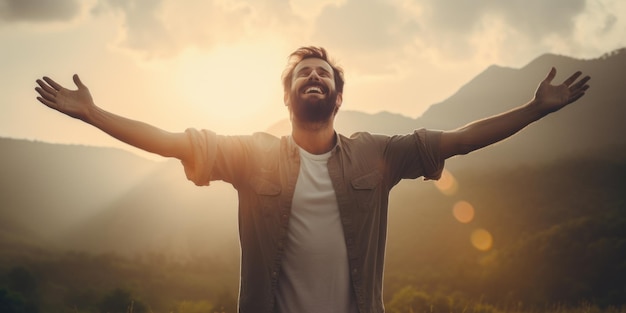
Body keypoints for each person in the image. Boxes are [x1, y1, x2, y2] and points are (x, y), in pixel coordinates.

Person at [35, 46, 590, 313]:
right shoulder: (252, 157)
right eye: (304, 74)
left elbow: (460, 139)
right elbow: (172, 142)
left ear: (338, 96)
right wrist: (95, 115)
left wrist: (535, 109)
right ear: (289, 96)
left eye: (324, 74)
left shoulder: (377, 156)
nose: (314, 78)